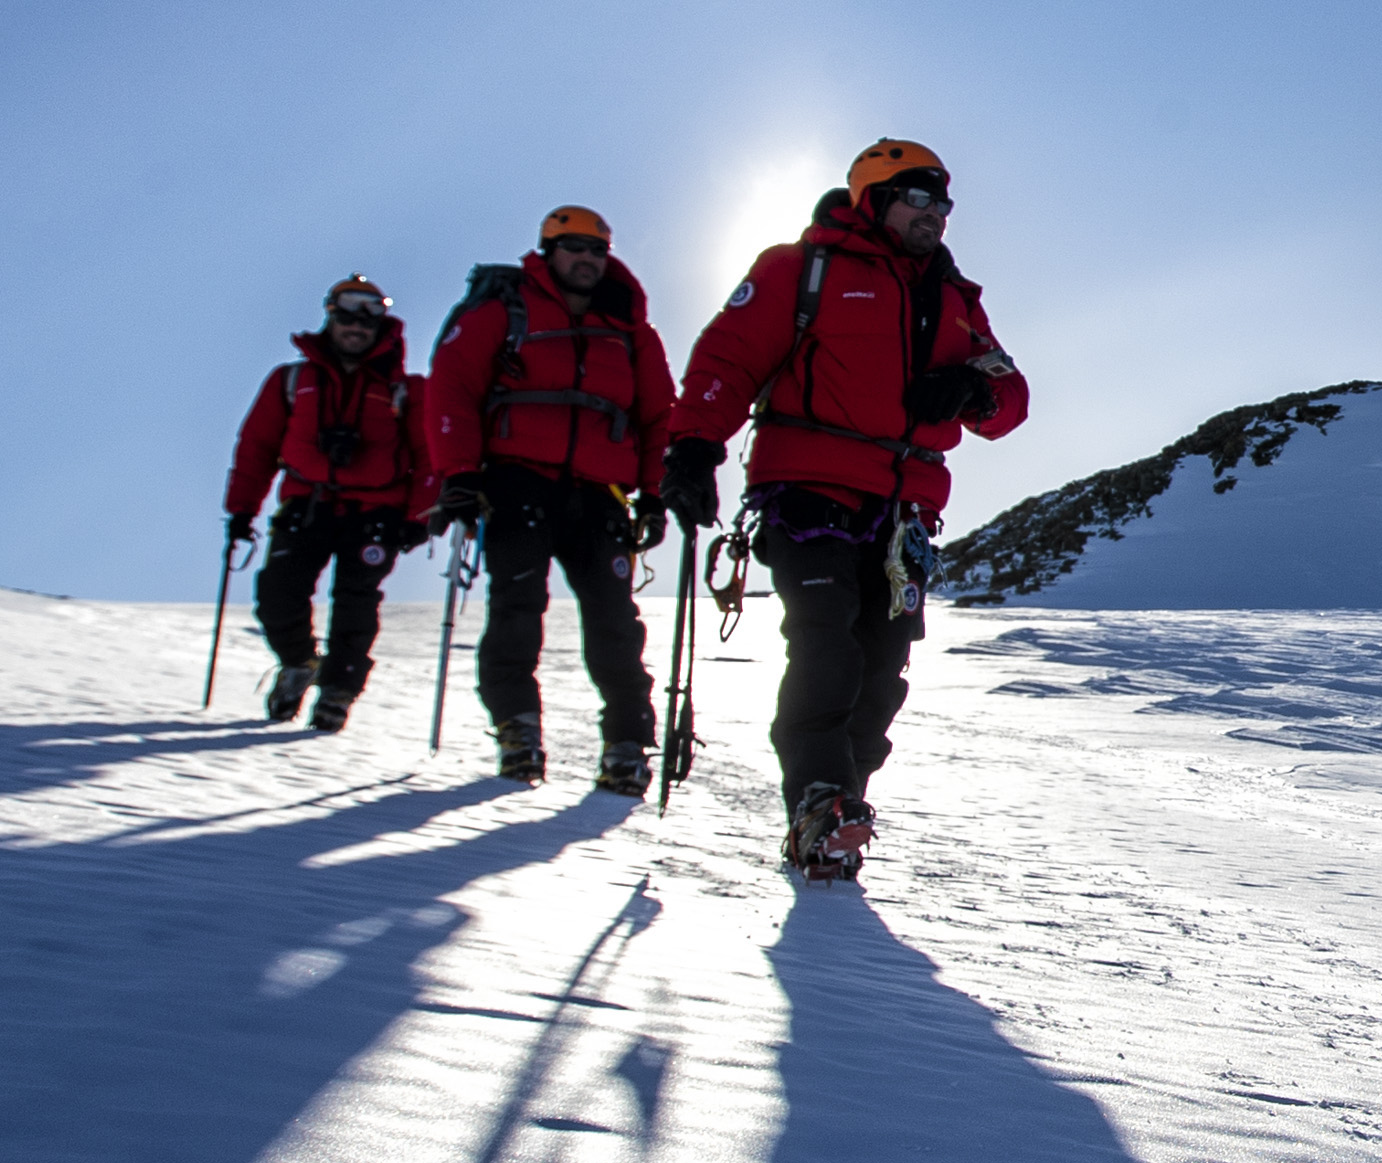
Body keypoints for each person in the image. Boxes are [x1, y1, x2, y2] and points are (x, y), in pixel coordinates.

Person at [660, 141, 1025, 880]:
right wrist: (693, 446)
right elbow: (728, 358)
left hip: (905, 516)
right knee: (827, 648)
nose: (935, 213)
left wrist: (970, 389)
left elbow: (1010, 395)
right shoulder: (800, 270)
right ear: (871, 197)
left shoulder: (958, 301)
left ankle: (836, 813)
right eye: (917, 196)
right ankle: (820, 800)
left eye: (943, 201)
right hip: (808, 492)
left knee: (884, 670)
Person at [430, 203, 674, 792]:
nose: (587, 259)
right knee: (517, 608)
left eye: (597, 249)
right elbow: (453, 387)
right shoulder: (504, 312)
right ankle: (517, 731)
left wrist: (655, 494)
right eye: (574, 247)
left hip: (601, 494)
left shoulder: (630, 331)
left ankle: (626, 742)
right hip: (516, 483)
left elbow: (658, 414)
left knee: (616, 622)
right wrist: (458, 474)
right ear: (548, 251)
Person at [220, 274, 434, 736]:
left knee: (356, 607)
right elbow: (256, 447)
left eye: (368, 316)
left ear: (381, 325)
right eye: (347, 315)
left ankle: (338, 693)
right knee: (277, 595)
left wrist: (418, 519)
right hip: (307, 505)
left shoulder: (406, 391)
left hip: (378, 514)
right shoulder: (292, 380)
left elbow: (428, 457)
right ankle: (299, 663)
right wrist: (241, 511)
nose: (356, 326)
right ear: (330, 318)